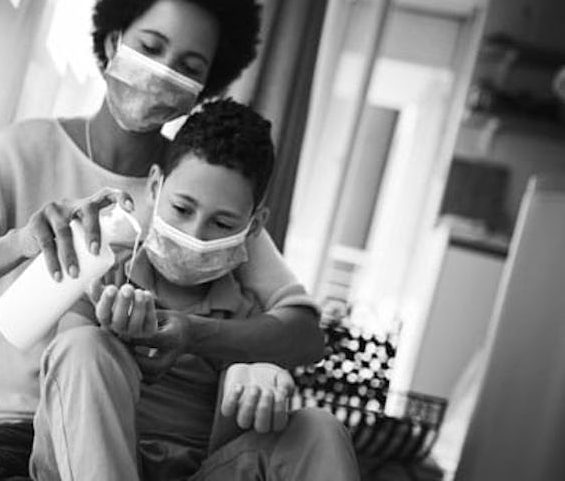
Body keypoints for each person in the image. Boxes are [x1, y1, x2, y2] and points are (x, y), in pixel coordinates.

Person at [0, 0, 340, 479]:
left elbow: (301, 331)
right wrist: (19, 243)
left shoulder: (199, 193)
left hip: (168, 438)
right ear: (112, 42)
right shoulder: (25, 151)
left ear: (203, 87)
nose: (162, 71)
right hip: (32, 428)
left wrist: (194, 335)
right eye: (151, 47)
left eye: (188, 64)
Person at [31, 100, 359, 480]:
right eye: (182, 209)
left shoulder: (250, 320)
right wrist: (108, 328)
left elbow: (284, 357)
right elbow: (66, 381)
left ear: (252, 229)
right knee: (84, 346)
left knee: (319, 429)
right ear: (155, 186)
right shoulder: (103, 272)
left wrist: (261, 388)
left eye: (221, 223)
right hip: (89, 464)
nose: (195, 235)